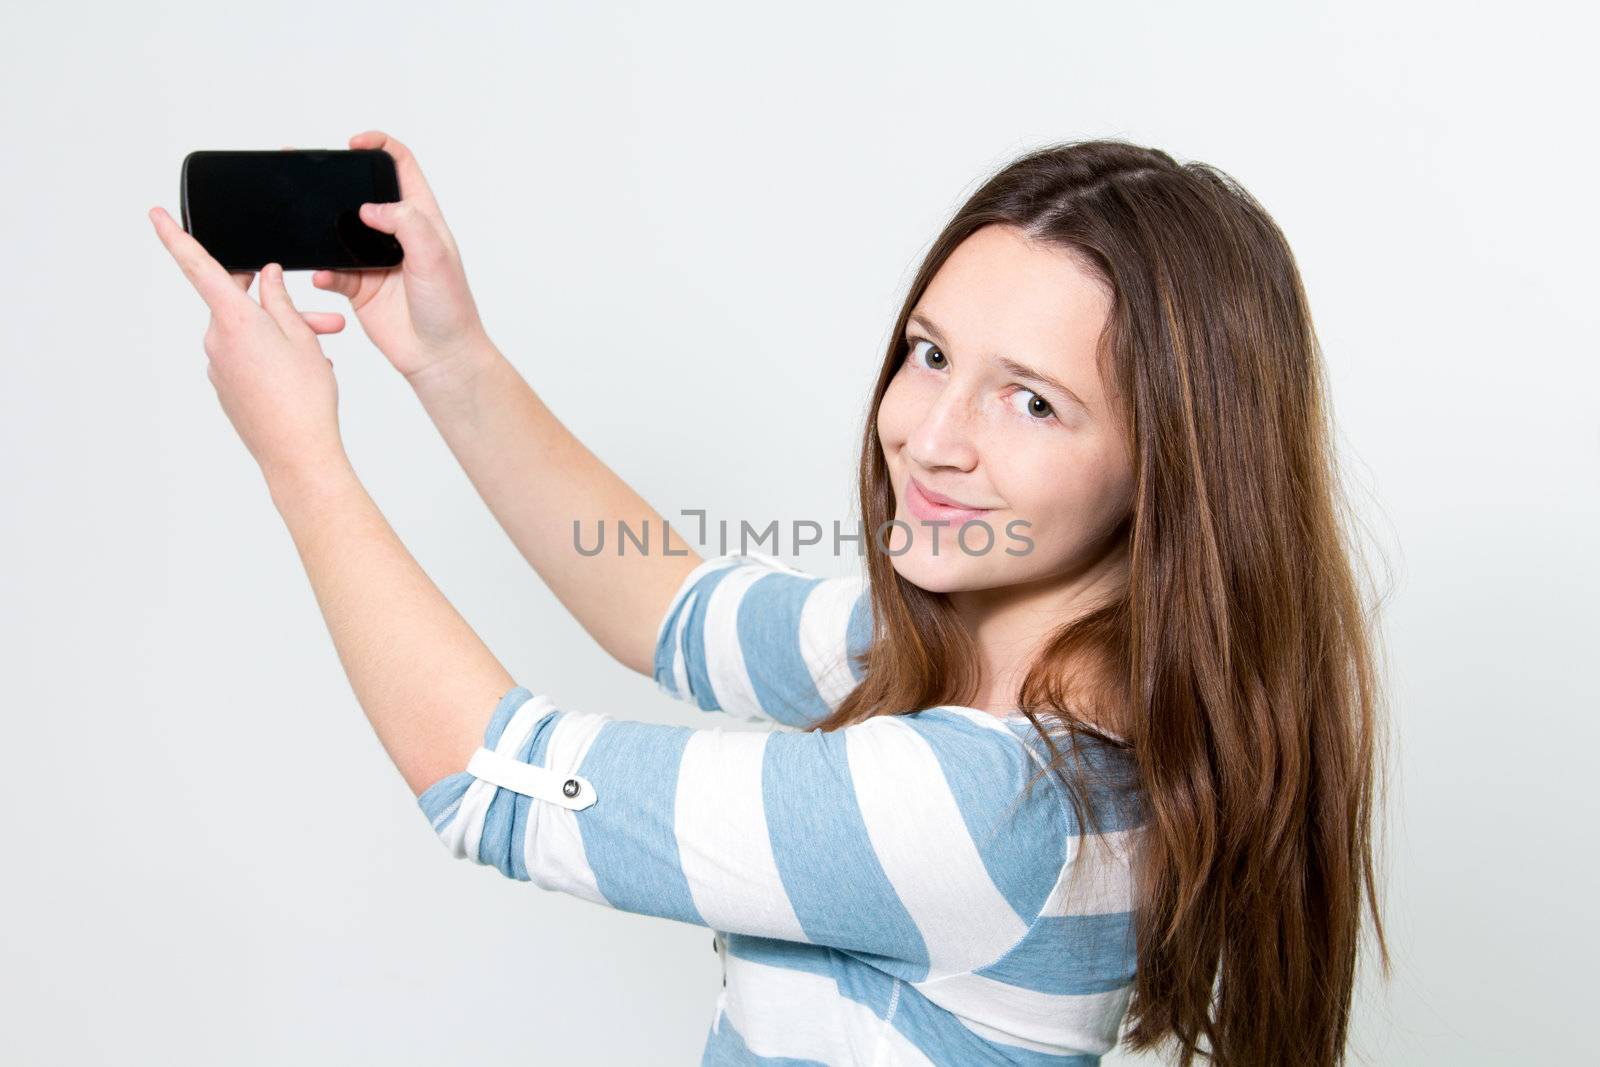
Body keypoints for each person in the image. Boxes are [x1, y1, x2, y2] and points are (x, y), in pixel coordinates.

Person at [149, 130, 1390, 1066]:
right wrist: (447, 355)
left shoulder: (982, 807)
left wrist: (299, 458)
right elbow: (668, 605)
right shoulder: (980, 658)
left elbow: (489, 778)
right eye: (931, 353)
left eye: (1032, 400)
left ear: (1167, 468)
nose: (932, 436)